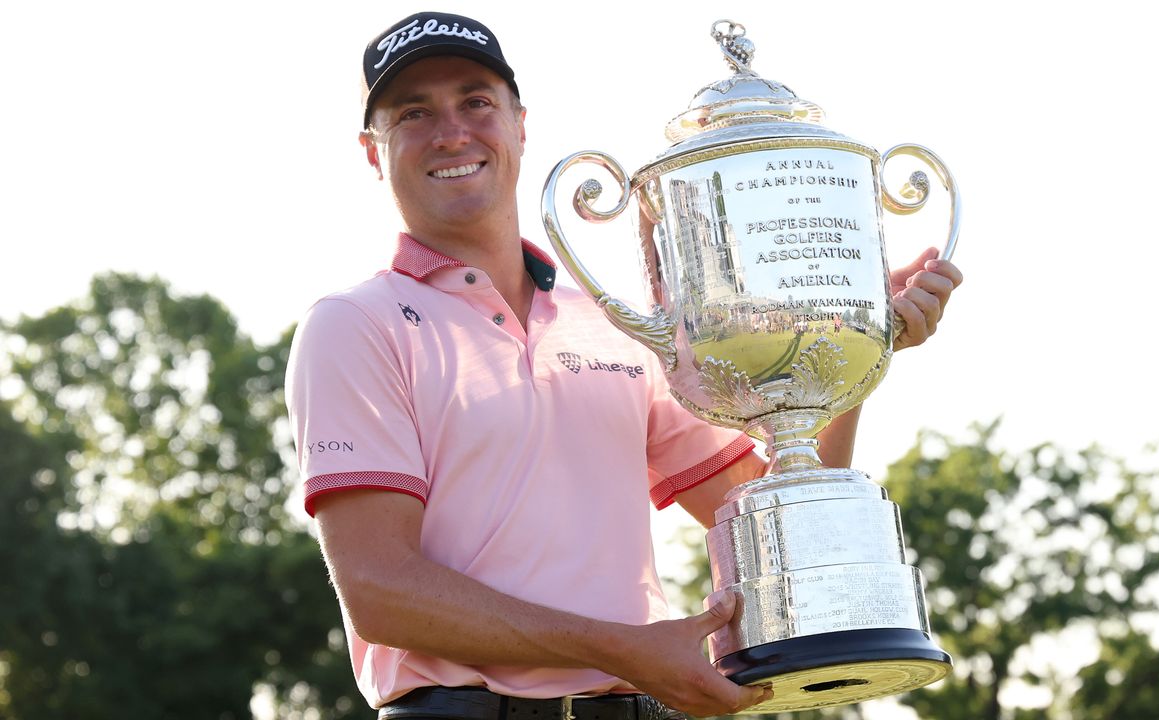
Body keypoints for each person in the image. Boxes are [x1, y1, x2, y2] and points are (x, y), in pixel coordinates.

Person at [285, 11, 964, 720]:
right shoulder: (354, 325)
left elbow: (768, 503)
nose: (451, 132)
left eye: (476, 102)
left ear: (520, 122)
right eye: (413, 113)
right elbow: (380, 591)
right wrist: (623, 649)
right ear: (373, 150)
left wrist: (856, 341)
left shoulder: (619, 329)